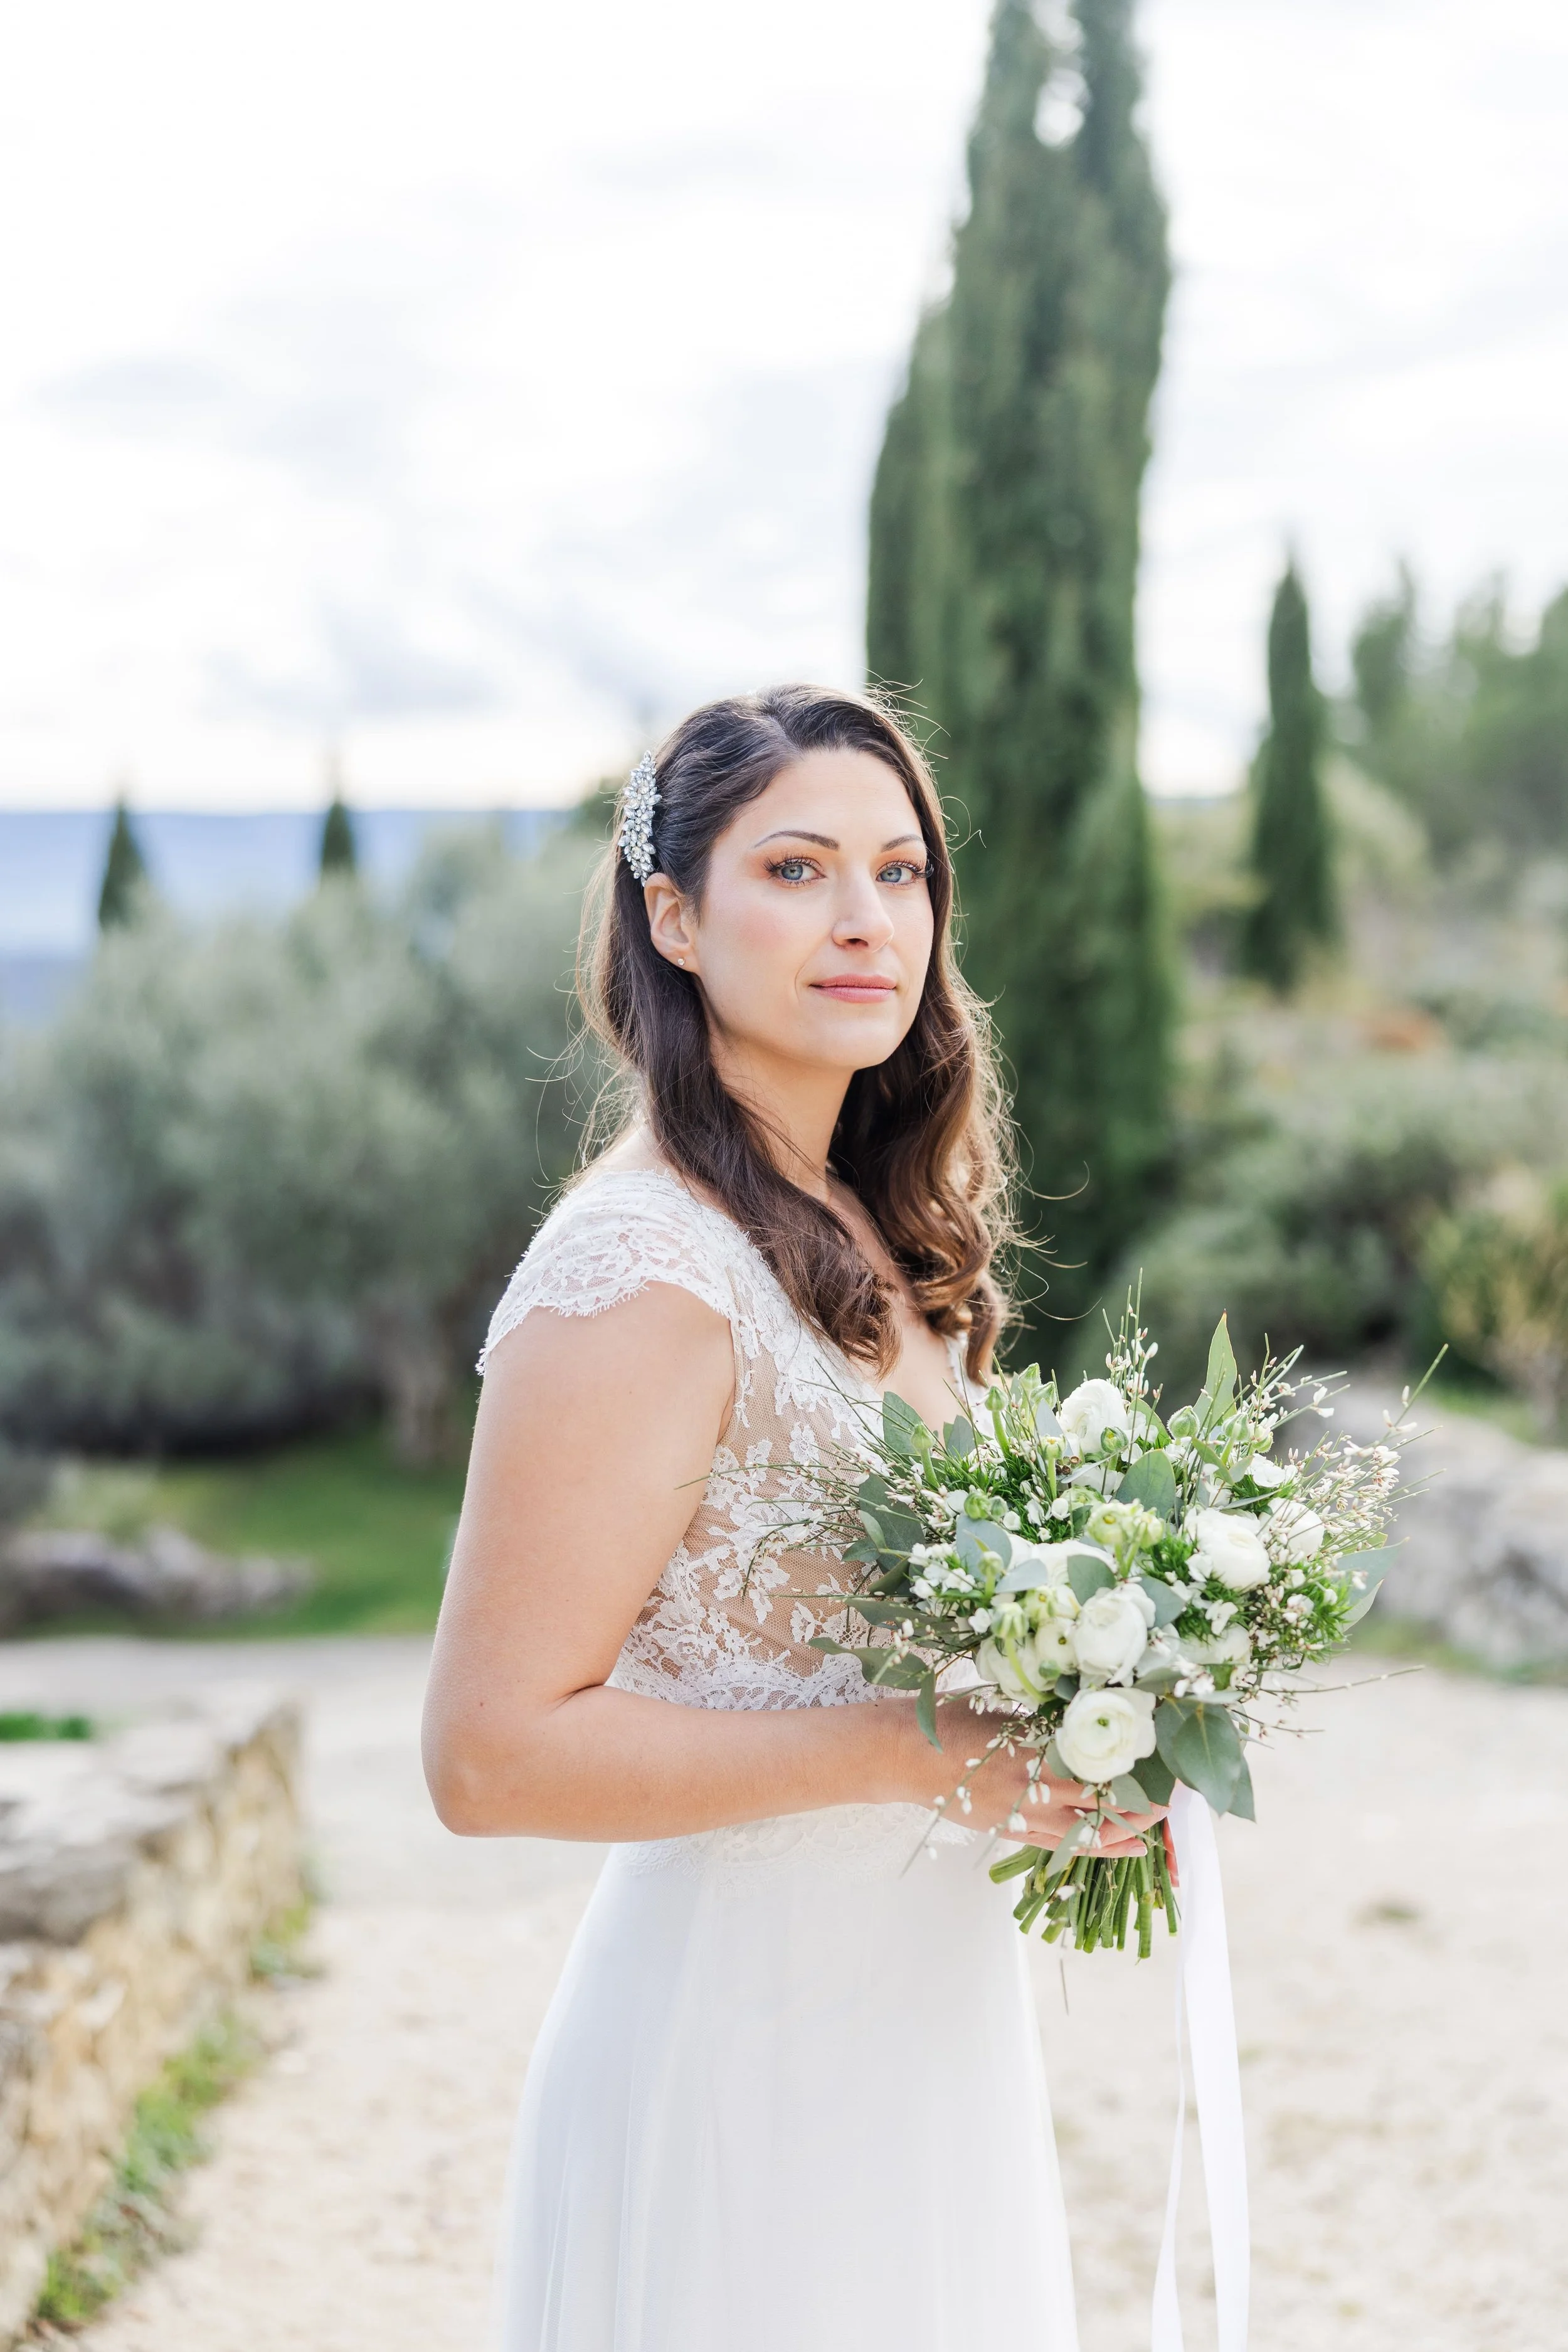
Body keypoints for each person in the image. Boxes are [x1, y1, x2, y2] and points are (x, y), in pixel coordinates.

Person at [421, 685, 1161, 2352]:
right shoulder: (644, 1271)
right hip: (739, 2061)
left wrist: (1090, 1729)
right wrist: (918, 1745)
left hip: (924, 2041)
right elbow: (485, 1756)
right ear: (671, 915)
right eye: (799, 867)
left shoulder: (874, 1236)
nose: (863, 920)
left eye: (900, 873)